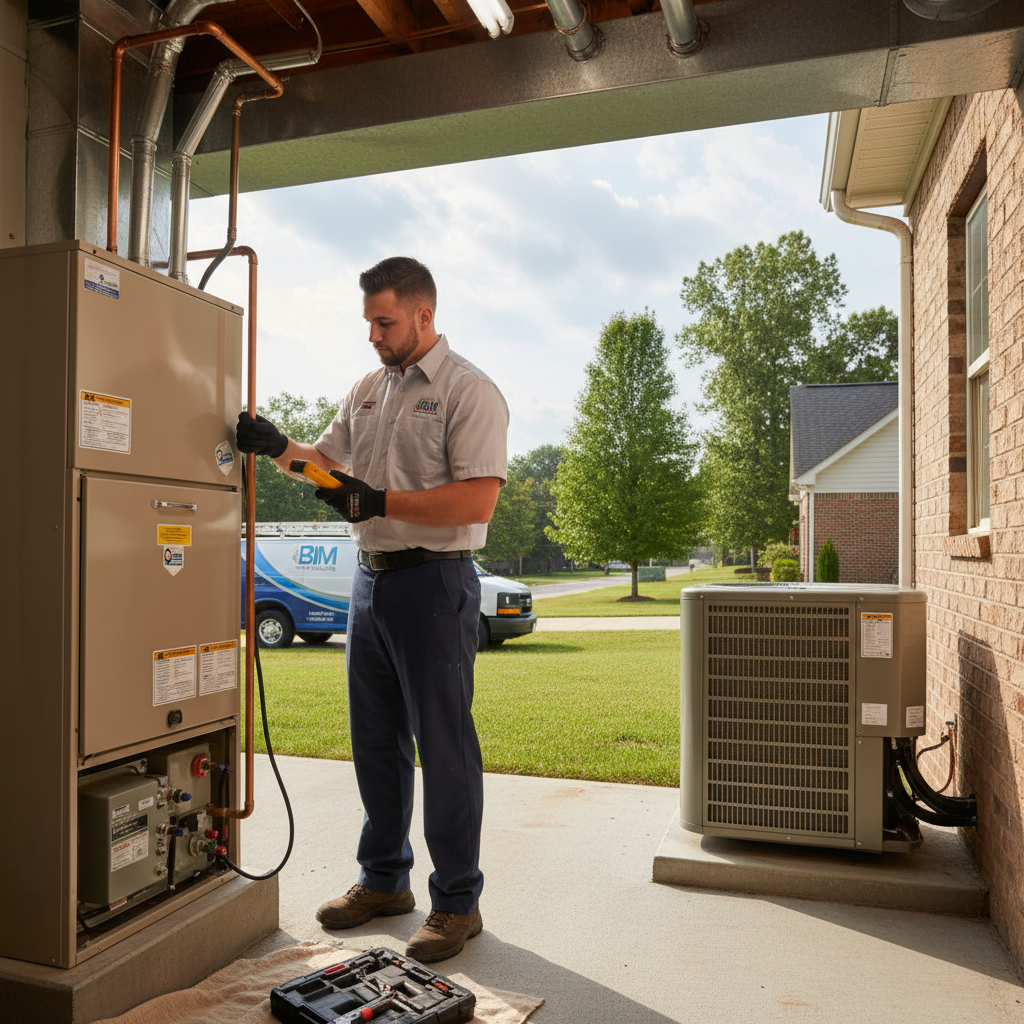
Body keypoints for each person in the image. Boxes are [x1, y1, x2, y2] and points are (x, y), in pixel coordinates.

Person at [235, 256, 508, 964]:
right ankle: (383, 881)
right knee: (376, 741)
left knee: (445, 748)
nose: (373, 336)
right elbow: (325, 463)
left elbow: (477, 499)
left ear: (422, 314)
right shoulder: (367, 389)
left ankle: (457, 901)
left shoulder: (468, 390)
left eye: (383, 322)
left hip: (435, 583)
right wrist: (277, 448)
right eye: (368, 323)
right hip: (370, 582)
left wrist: (379, 501)